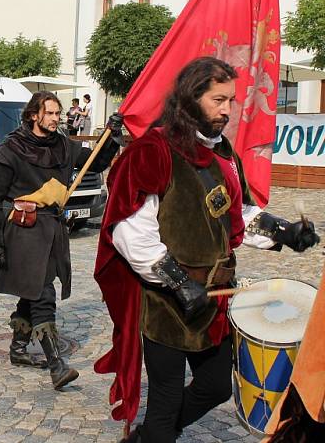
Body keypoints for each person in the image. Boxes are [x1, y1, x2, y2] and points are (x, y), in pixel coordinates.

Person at [94, 58, 320, 443]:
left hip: (212, 300)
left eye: (231, 101)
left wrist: (284, 231)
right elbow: (130, 229)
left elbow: (237, 214)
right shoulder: (154, 150)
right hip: (166, 302)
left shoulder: (222, 153)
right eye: (218, 100)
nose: (227, 111)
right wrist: (179, 283)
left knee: (216, 386)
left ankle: (148, 436)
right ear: (190, 97)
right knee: (165, 402)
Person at [0, 91, 122, 390]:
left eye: (58, 114)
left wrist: (111, 136)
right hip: (23, 230)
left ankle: (18, 349)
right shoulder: (12, 149)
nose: (56, 119)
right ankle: (57, 365)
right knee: (43, 293)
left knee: (32, 290)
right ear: (34, 115)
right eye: (50, 114)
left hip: (52, 228)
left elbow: (95, 163)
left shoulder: (62, 145)